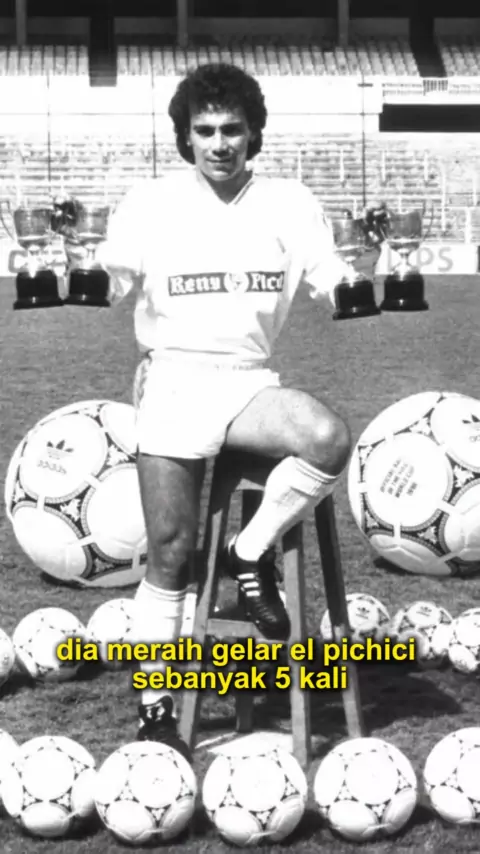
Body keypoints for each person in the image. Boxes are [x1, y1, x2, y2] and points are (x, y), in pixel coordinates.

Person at [93, 62, 355, 763]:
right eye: (204, 130)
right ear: (185, 136)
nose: (218, 143)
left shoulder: (289, 201)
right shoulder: (150, 201)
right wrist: (82, 274)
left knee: (326, 437)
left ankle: (249, 549)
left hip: (246, 382)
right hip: (173, 383)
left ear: (252, 134)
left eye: (231, 129)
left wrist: (354, 286)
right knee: (171, 549)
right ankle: (154, 703)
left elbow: (331, 275)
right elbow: (113, 277)